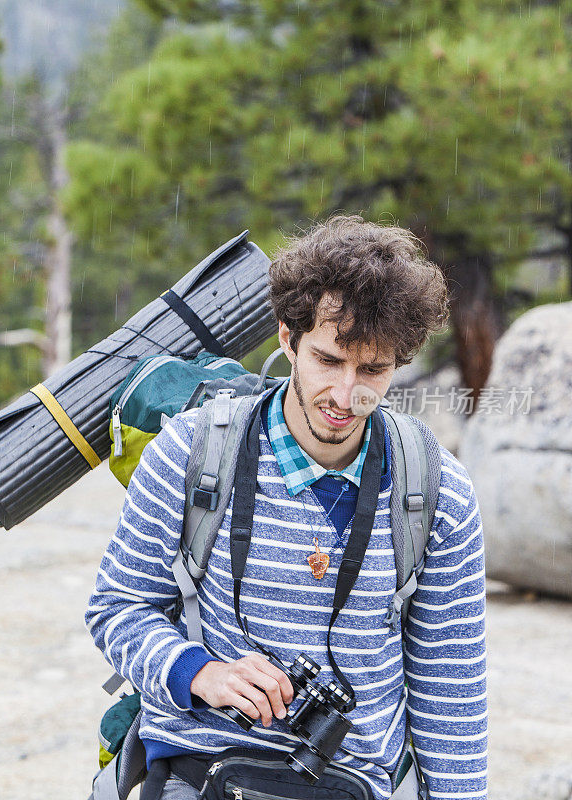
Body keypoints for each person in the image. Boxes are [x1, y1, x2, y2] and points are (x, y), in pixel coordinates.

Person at [86, 215, 487, 800]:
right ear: (287, 339)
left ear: (401, 361)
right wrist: (201, 673)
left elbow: (451, 689)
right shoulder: (192, 452)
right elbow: (116, 607)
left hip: (352, 785)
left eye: (373, 369)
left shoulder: (438, 491)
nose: (346, 396)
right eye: (328, 360)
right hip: (199, 769)